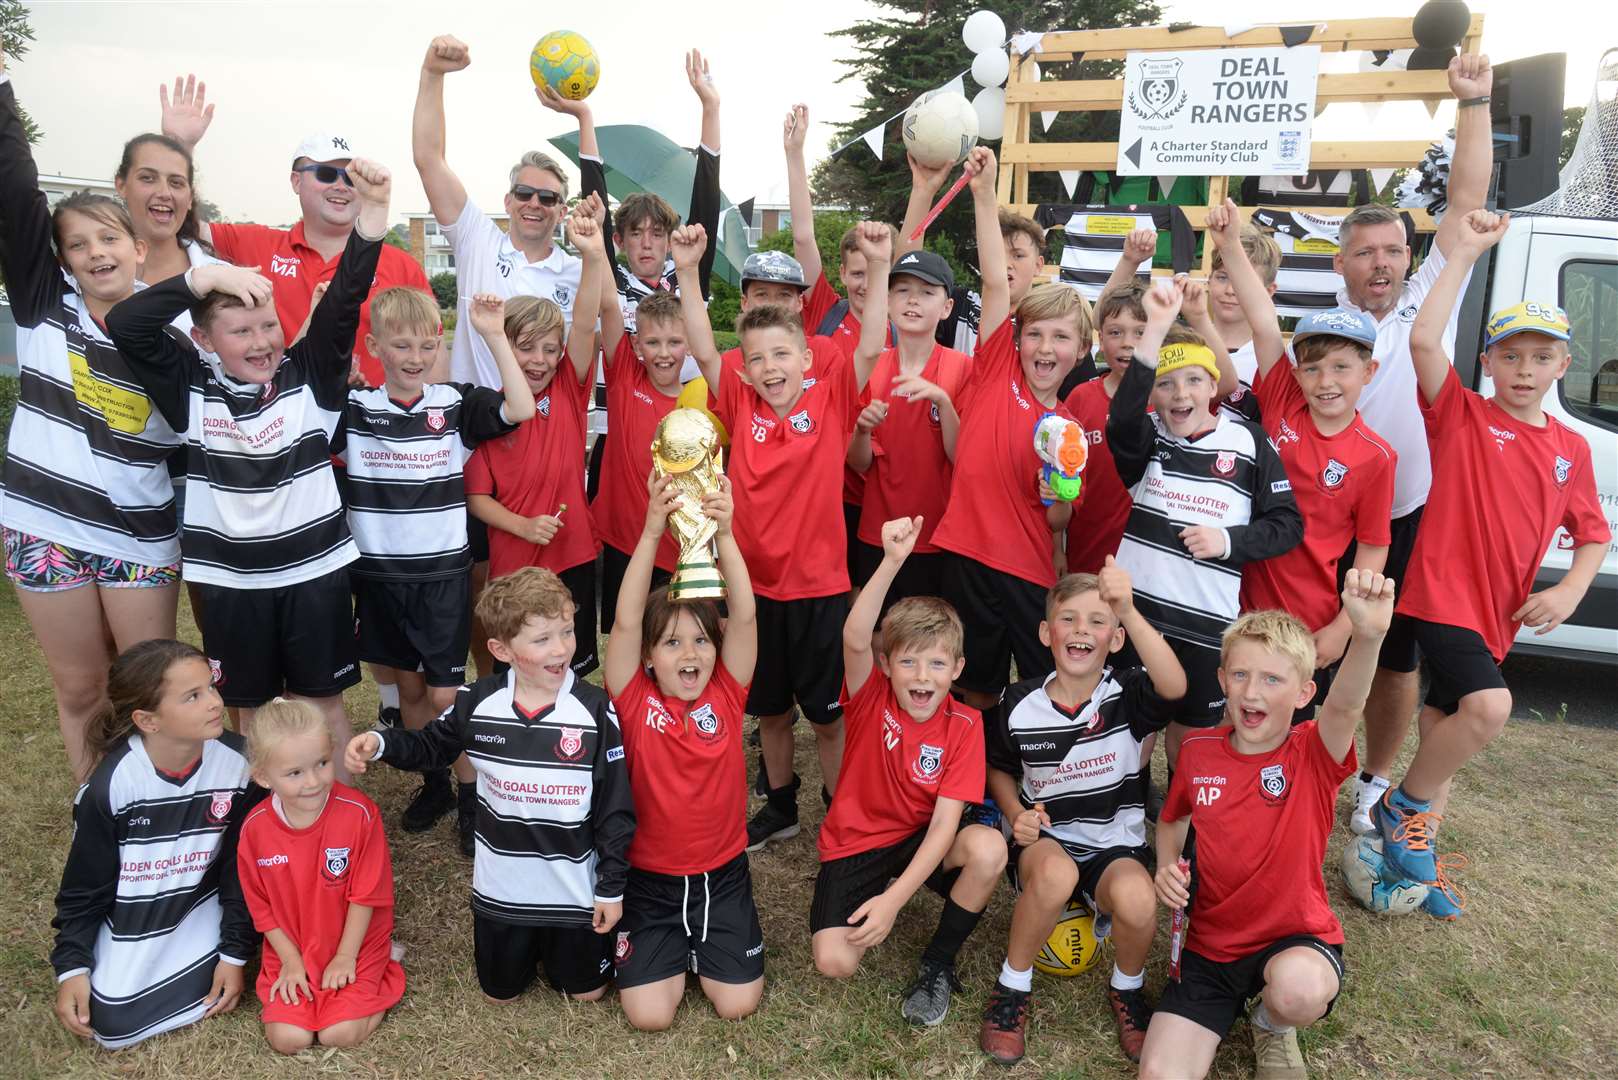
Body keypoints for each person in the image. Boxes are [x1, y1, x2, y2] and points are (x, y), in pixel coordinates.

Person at [107, 157, 399, 778]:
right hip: (232, 586)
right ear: (206, 342)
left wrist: (371, 219)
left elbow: (345, 297)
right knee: (246, 715)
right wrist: (198, 278)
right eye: (241, 331)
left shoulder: (309, 377)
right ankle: (264, 827)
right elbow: (127, 324)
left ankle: (338, 827)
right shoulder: (190, 387)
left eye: (268, 324)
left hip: (315, 575)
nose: (262, 341)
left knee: (323, 707)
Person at [1373, 210, 1608, 914]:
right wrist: (1464, 253)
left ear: (1563, 365)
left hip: (1497, 614)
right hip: (1439, 596)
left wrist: (1569, 590)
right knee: (1490, 707)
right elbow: (1421, 338)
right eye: (1511, 356)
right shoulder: (1465, 416)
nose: (1525, 369)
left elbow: (1593, 534)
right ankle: (1399, 807)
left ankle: (1410, 864)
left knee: (1444, 730)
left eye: (1540, 358)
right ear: (1488, 362)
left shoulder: (1573, 448)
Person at [681, 212, 891, 848]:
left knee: (828, 717)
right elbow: (699, 343)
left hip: (819, 590)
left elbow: (872, 343)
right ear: (743, 370)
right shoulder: (738, 399)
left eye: (782, 355)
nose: (771, 368)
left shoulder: (830, 401)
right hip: (752, 591)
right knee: (768, 709)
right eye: (757, 359)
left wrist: (879, 268)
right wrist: (689, 271)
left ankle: (838, 807)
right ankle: (780, 805)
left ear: (807, 357)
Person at [0, 57, 182, 782]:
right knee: (79, 688)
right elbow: (15, 190)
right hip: (45, 526)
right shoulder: (47, 308)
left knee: (146, 691)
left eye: (108, 239)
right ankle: (96, 811)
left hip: (138, 533)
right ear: (63, 262)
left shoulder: (176, 336)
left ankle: (156, 809)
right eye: (77, 245)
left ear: (139, 248)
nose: (95, 253)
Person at [1138, 571, 1397, 1080]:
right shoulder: (1196, 751)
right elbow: (1173, 819)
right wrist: (1166, 865)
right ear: (1221, 681)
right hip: (1211, 946)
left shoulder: (1312, 751)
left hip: (1293, 936)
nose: (1252, 692)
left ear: (1304, 693)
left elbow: (1346, 704)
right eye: (1240, 675)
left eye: (1272, 680)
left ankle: (1272, 1024)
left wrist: (1367, 637)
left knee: (1299, 991)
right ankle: (1225, 1005)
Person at [1330, 55, 1496, 831]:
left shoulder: (1432, 294)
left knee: (1395, 660)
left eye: (1394, 249)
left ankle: (1372, 780)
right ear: (1343, 264)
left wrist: (1474, 103)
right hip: (1331, 509)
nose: (1383, 262)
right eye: (1366, 252)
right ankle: (1294, 764)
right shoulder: (1325, 327)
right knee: (1319, 646)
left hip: (1410, 514)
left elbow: (1466, 204)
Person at [345, 566, 635, 1004]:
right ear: (501, 649)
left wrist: (610, 888)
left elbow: (616, 806)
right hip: (503, 888)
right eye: (542, 640)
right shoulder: (476, 702)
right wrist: (382, 742)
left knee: (587, 994)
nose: (561, 649)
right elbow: (430, 747)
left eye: (567, 632)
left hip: (573, 889)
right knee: (500, 994)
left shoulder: (593, 709)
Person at [335, 289, 535, 851]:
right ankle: (436, 783)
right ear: (375, 347)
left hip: (442, 578)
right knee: (411, 692)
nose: (416, 356)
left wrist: (495, 335)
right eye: (401, 345)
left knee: (449, 698)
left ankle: (474, 799)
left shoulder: (452, 404)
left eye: (428, 344)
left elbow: (520, 408)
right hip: (380, 580)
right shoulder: (353, 409)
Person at [980, 559, 1186, 1066]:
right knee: (1053, 876)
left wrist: (1129, 610)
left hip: (1114, 843)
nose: (1082, 631)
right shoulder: (1018, 702)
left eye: (1098, 622)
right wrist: (1013, 811)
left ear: (1115, 639)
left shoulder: (1129, 693)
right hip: (1048, 840)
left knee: (1139, 899)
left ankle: (1128, 989)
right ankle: (1013, 988)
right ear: (1047, 633)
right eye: (1069, 620)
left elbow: (1176, 685)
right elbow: (998, 768)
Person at [811, 516, 1004, 1028]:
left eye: (938, 665)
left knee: (989, 849)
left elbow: (944, 827)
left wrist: (894, 902)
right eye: (910, 663)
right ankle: (864, 891)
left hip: (922, 837)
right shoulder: (871, 695)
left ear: (957, 670)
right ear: (887, 664)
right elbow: (854, 637)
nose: (923, 677)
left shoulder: (966, 724)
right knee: (834, 962)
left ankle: (938, 963)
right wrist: (892, 561)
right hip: (858, 839)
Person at [1108, 278, 1303, 769]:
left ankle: (1185, 829)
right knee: (1131, 725)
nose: (1180, 394)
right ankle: (1131, 814)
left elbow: (1287, 525)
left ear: (1213, 386)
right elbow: (1120, 417)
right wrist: (1153, 328)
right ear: (1153, 394)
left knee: (1191, 738)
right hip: (1139, 617)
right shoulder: (1148, 438)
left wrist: (1228, 541)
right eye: (1167, 384)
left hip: (1207, 625)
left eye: (1194, 380)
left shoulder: (1250, 441)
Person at [1206, 199, 1396, 700]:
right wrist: (1229, 244)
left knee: (1294, 728)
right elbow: (1266, 326)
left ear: (1367, 373)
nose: (1324, 381)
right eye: (1311, 368)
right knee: (1232, 710)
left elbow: (1374, 548)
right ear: (1295, 374)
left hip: (1308, 618)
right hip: (1238, 596)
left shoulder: (1376, 456)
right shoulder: (1284, 402)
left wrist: (1342, 626)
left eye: (1340, 368)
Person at [603, 475, 764, 1030]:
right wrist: (651, 532)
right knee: (650, 1017)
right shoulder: (632, 697)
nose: (690, 654)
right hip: (649, 883)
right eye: (671, 642)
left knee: (738, 1004)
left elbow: (743, 617)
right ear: (648, 657)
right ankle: (674, 950)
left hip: (720, 875)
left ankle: (709, 944)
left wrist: (726, 533)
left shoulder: (727, 691)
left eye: (700, 640)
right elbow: (625, 621)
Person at [930, 149, 1087, 712]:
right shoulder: (997, 369)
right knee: (975, 685)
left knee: (1039, 685)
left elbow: (1060, 520)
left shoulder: (1068, 429)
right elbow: (996, 280)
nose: (1046, 348)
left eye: (1061, 338)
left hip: (1028, 569)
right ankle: (976, 792)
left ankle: (1027, 778)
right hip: (968, 555)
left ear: (1080, 351)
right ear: (1017, 339)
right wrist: (984, 190)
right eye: (1036, 334)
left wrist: (1058, 494)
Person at [51, 639, 257, 1049]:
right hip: (140, 910)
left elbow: (242, 867)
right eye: (193, 696)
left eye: (211, 687)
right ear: (148, 720)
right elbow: (83, 890)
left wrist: (234, 954)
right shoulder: (110, 788)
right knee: (111, 1021)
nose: (215, 702)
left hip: (206, 902)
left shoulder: (241, 762)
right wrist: (71, 967)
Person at [160, 79, 431, 389]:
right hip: (280, 425)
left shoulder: (402, 265)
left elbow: (431, 356)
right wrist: (179, 147)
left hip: (372, 429)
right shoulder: (255, 244)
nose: (341, 185)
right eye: (326, 174)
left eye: (351, 177)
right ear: (295, 181)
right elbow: (180, 225)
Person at [465, 207, 608, 678]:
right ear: (505, 347)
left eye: (550, 348)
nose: (540, 360)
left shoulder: (568, 386)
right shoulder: (492, 412)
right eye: (526, 347)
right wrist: (523, 527)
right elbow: (477, 497)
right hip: (515, 562)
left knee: (570, 665)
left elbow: (585, 323)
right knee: (518, 667)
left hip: (574, 552)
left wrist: (590, 255)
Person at [238, 698, 404, 1054]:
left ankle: (383, 971)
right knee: (288, 1039)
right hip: (293, 946)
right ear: (263, 777)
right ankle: (315, 993)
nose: (313, 782)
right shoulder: (254, 830)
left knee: (337, 1034)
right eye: (295, 773)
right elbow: (261, 909)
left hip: (354, 944)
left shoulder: (360, 814)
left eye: (322, 764)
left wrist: (345, 957)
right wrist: (292, 963)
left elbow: (366, 896)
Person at [847, 247, 971, 609]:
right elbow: (859, 464)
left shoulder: (961, 368)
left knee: (928, 638)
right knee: (877, 636)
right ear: (886, 301)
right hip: (877, 531)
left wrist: (943, 402)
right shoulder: (871, 366)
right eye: (902, 290)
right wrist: (861, 430)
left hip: (938, 536)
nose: (913, 300)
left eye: (927, 292)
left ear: (947, 307)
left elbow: (962, 457)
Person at [898, 154, 1060, 359]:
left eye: (1018, 255)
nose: (1006, 264)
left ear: (1039, 265)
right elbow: (906, 271)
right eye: (997, 255)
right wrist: (922, 192)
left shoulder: (1054, 324)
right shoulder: (960, 305)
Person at [1062, 282, 1147, 577]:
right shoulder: (1080, 398)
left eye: (1140, 332)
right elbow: (1061, 483)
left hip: (1148, 564)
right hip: (1086, 554)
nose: (1128, 342)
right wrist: (1054, 547)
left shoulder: (1167, 402)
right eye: (1115, 332)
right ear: (1099, 339)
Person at [118, 76, 217, 285]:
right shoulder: (88, 276)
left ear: (190, 197)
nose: (164, 193)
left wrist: (181, 143)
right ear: (121, 185)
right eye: (147, 178)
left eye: (176, 183)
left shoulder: (222, 281)